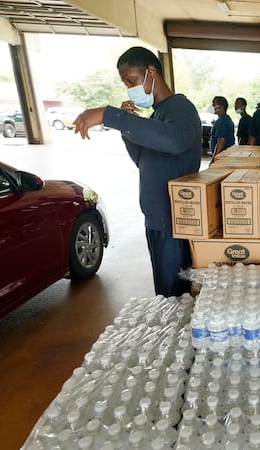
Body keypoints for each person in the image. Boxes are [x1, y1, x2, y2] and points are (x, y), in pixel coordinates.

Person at [73, 46, 202, 297]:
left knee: (174, 298)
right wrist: (128, 127)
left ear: (151, 72)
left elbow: (175, 141)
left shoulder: (180, 108)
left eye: (131, 80)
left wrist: (113, 116)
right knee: (166, 294)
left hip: (172, 222)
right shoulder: (157, 115)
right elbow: (143, 160)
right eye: (125, 83)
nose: (129, 88)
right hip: (157, 220)